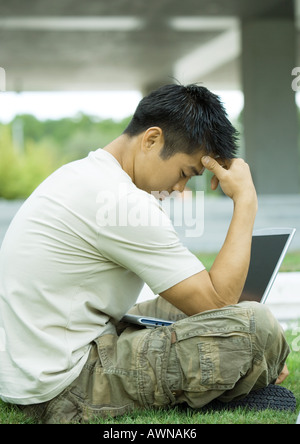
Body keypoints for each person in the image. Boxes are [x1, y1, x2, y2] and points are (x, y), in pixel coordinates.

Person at [0, 84, 290, 423]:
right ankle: (226, 391)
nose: (180, 189)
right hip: (64, 386)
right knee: (257, 326)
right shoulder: (121, 201)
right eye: (185, 173)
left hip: (34, 367)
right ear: (151, 140)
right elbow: (220, 307)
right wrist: (246, 200)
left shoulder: (87, 175)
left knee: (202, 310)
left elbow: (211, 304)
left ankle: (227, 383)